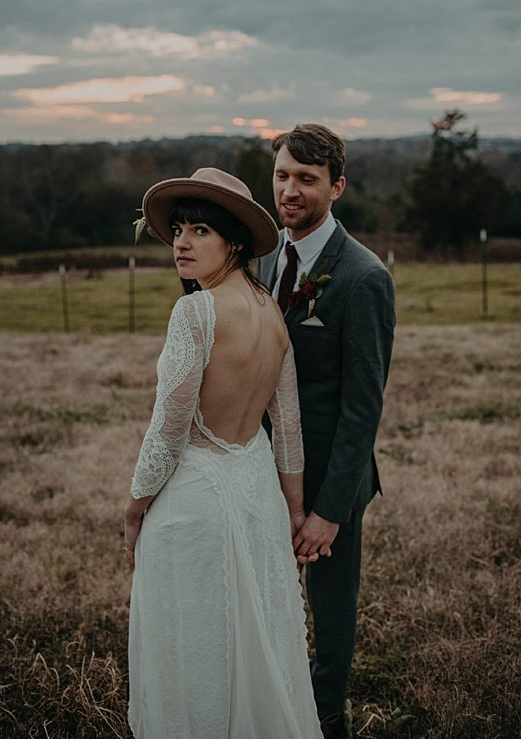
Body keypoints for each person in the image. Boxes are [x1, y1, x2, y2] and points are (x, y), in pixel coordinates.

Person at [123, 168, 321, 739]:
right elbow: (286, 429)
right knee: (254, 644)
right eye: (179, 229)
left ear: (233, 242)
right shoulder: (272, 314)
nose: (182, 242)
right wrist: (291, 509)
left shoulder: (197, 312)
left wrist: (136, 506)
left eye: (200, 230)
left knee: (196, 650)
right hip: (256, 496)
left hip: (195, 506)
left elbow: (168, 427)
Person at [256, 124, 396, 738]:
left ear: (336, 186)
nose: (291, 190)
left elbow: (362, 409)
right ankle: (274, 697)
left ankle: (327, 713)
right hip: (264, 470)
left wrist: (329, 511)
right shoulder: (261, 258)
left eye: (307, 180)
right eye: (284, 175)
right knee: (266, 595)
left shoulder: (363, 278)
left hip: (331, 479)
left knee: (330, 605)